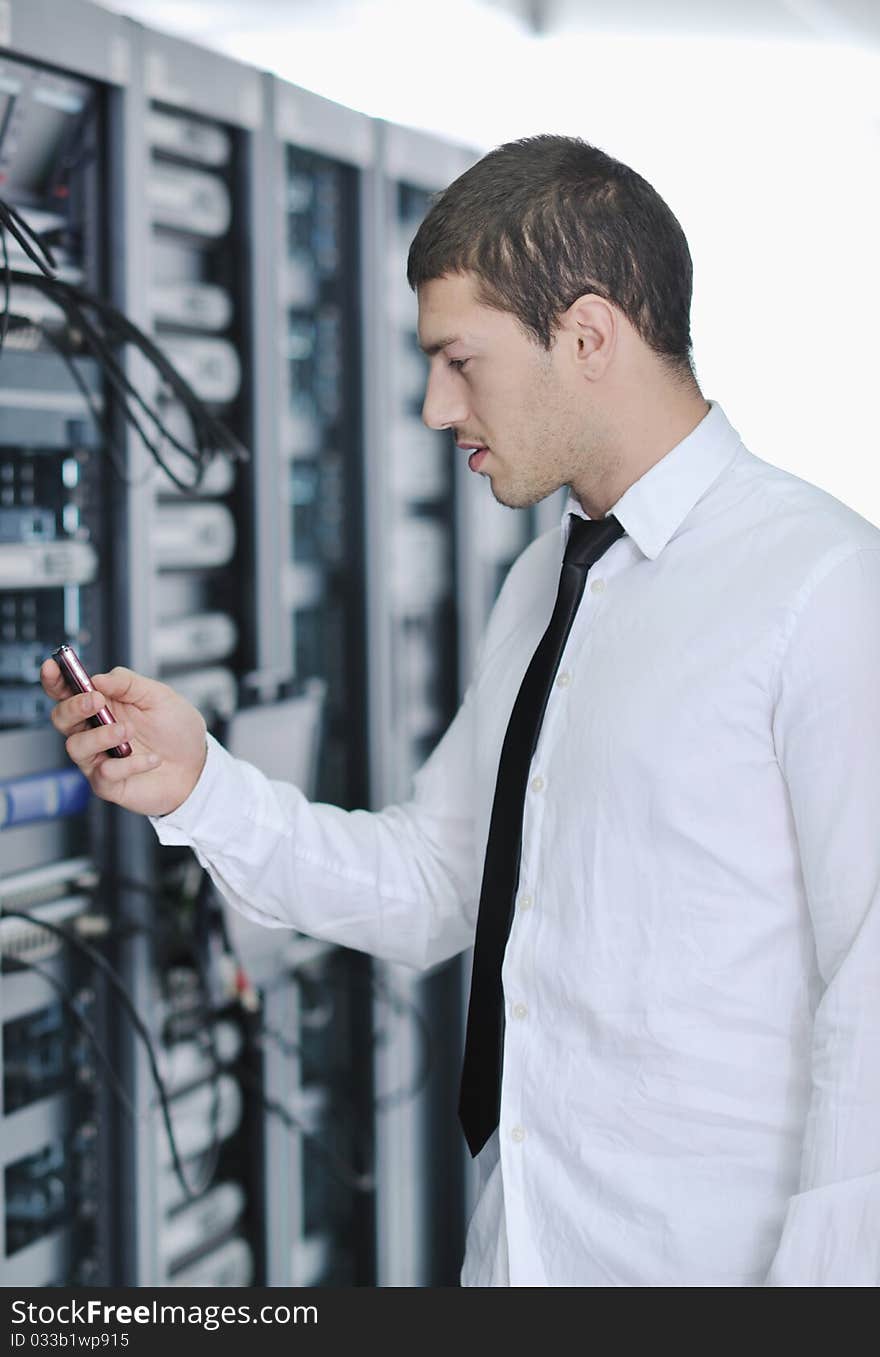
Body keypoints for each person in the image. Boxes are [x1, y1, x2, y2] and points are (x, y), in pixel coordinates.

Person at [42, 134, 880, 1287]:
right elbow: (438, 885)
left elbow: (872, 1009)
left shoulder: (823, 586)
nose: (438, 406)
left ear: (587, 336)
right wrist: (200, 787)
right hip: (523, 1253)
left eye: (459, 359)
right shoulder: (540, 585)